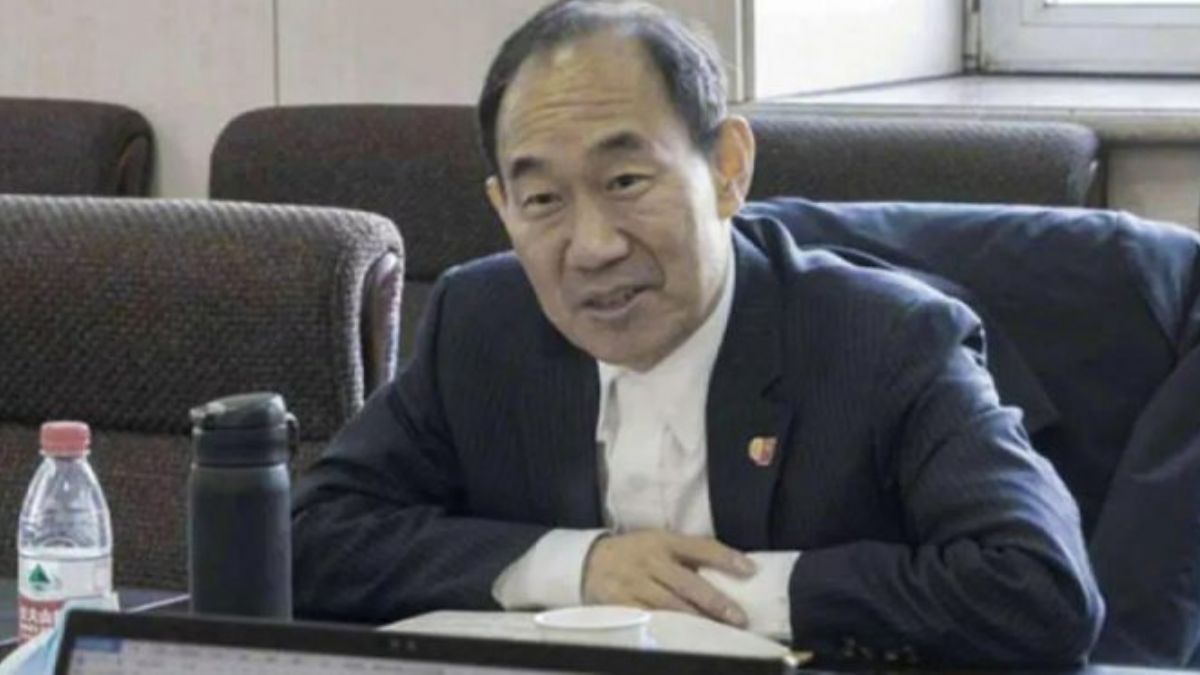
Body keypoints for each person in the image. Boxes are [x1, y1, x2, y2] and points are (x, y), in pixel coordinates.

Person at [292, 0, 1103, 666]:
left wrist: (728, 593)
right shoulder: (481, 322)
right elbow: (305, 538)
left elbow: (1041, 590)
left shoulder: (886, 339)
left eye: (625, 180)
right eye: (543, 201)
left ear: (728, 169)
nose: (593, 246)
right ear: (503, 209)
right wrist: (580, 566)